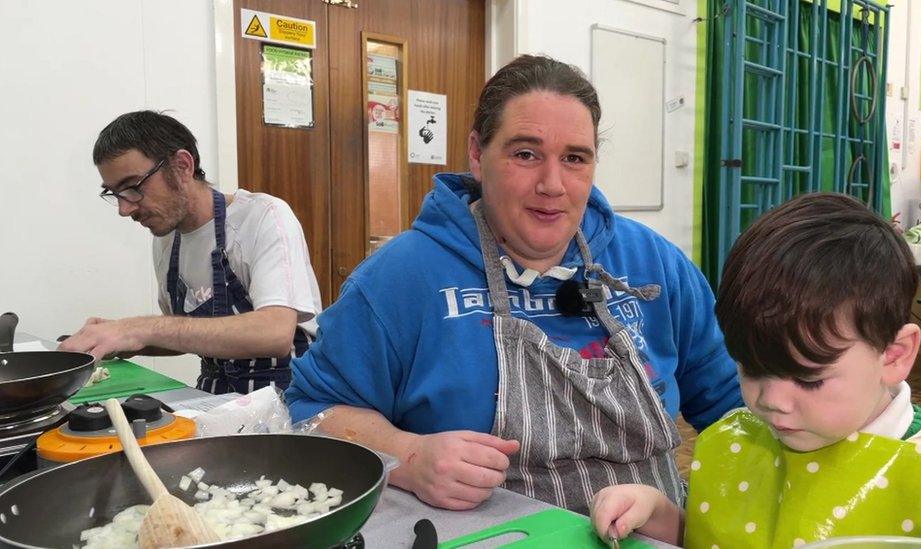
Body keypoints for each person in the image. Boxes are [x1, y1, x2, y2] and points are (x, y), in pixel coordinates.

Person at [286, 55, 741, 513]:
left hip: (651, 533)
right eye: (526, 154)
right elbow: (311, 409)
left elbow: (732, 407)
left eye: (575, 159)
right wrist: (408, 456)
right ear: (477, 155)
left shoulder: (655, 265)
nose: (552, 184)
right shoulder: (400, 279)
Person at [590, 193, 921, 547]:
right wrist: (656, 514)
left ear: (893, 355)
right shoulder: (740, 441)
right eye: (751, 368)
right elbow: (713, 536)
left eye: (808, 379)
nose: (770, 401)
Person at [59, 111, 321, 394]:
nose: (125, 209)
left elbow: (274, 333)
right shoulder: (166, 240)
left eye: (133, 187)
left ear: (183, 166)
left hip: (288, 399)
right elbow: (182, 333)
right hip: (214, 397)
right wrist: (118, 339)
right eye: (114, 194)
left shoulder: (263, 217)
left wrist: (136, 329)